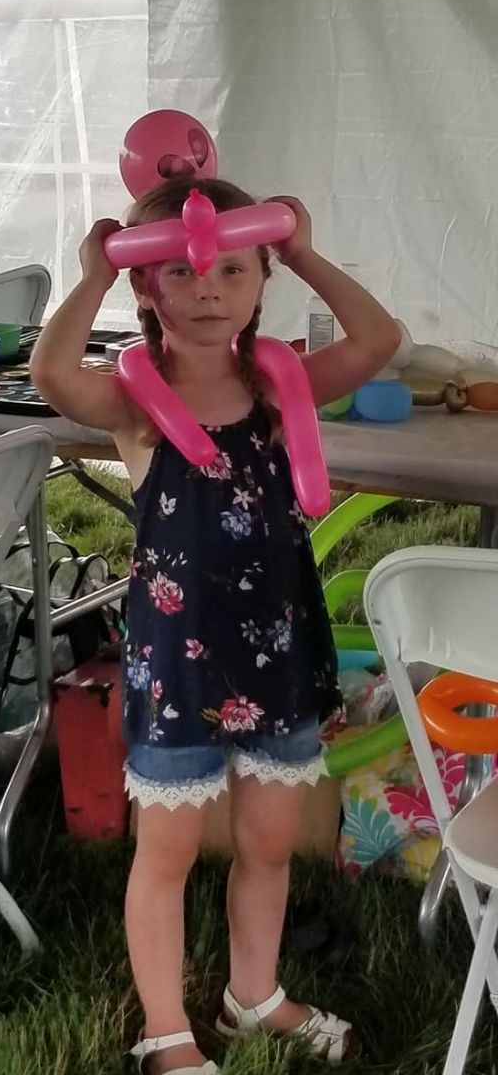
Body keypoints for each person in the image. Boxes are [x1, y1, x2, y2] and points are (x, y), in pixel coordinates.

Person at [31, 175, 401, 1073]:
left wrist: (305, 248)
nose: (208, 290)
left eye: (233, 270)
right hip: (180, 668)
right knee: (167, 848)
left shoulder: (283, 390)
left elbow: (381, 340)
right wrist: (91, 273)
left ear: (260, 281)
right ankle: (167, 1032)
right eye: (185, 274)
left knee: (268, 845)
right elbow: (49, 373)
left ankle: (254, 996)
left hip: (275, 655)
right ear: (146, 287)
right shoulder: (136, 401)